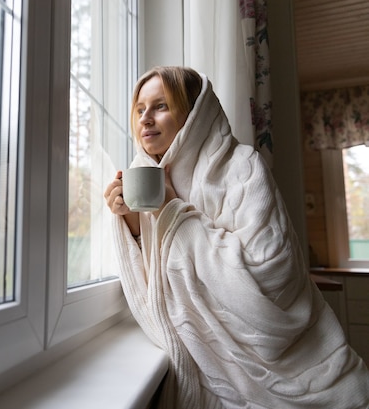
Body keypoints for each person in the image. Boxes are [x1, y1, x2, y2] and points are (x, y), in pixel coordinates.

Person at [104, 66, 369, 408]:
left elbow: (274, 279)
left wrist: (173, 212)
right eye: (140, 109)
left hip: (287, 367)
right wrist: (133, 225)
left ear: (195, 114)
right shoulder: (147, 178)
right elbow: (156, 292)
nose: (146, 119)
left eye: (161, 106)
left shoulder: (243, 168)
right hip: (197, 368)